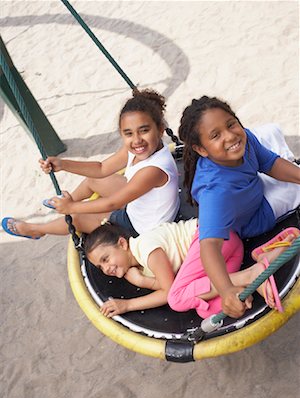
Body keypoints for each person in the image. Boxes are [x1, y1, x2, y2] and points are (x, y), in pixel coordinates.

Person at [178, 95, 300, 318]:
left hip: (254, 186)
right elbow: (209, 247)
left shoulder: (242, 139)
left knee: (271, 130)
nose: (230, 135)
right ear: (202, 149)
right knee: (294, 191)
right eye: (215, 135)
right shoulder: (215, 192)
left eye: (231, 124)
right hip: (257, 216)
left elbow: (269, 163)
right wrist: (226, 291)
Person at [1, 89, 180, 239]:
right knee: (92, 181)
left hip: (143, 227)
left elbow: (112, 203)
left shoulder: (153, 170)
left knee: (77, 218)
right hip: (142, 205)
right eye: (129, 134)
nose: (137, 140)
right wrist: (63, 164)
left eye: (144, 131)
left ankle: (35, 230)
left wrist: (72, 208)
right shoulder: (135, 150)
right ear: (122, 134)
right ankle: (62, 205)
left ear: (160, 129)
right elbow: (101, 169)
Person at [83, 219, 297, 318]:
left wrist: (128, 304)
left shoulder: (146, 248)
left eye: (105, 258)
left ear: (122, 244)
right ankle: (263, 258)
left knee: (178, 299)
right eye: (100, 266)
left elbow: (170, 292)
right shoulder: (135, 266)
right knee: (214, 310)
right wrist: (142, 280)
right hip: (227, 255)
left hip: (212, 240)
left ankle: (251, 274)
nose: (106, 268)